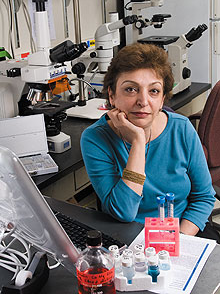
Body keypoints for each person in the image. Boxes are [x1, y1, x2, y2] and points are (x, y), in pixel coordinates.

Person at [80, 43, 219, 241]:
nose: (143, 101)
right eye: (130, 89)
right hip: (128, 238)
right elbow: (124, 212)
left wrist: (178, 241)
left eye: (153, 91)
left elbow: (203, 198)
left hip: (183, 232)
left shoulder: (182, 129)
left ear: (163, 99)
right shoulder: (95, 138)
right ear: (111, 95)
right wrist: (138, 142)